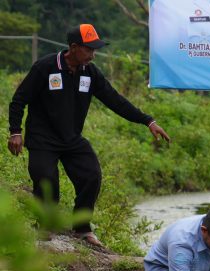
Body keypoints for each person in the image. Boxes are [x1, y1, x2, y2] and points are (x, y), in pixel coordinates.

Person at [8, 23, 170, 246]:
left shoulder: (90, 73)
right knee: (47, 181)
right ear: (74, 47)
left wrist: (148, 121)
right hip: (42, 139)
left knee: (91, 176)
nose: (93, 55)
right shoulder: (45, 67)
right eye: (89, 49)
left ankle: (82, 228)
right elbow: (19, 100)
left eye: (95, 50)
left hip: (71, 138)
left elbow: (115, 100)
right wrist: (15, 132)